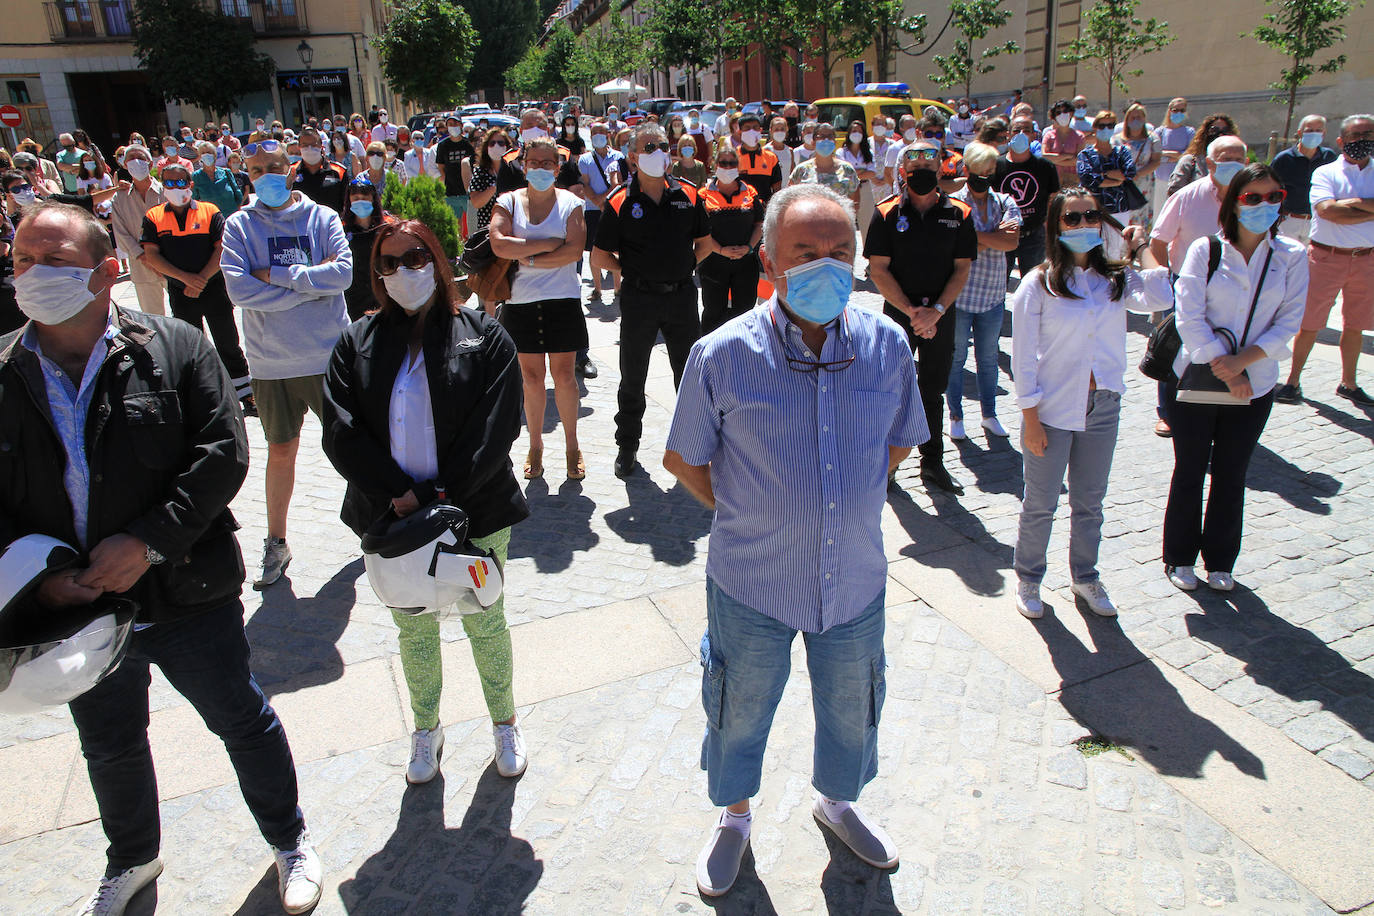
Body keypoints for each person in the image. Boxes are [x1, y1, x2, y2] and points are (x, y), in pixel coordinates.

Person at [2, 201, 322, 916]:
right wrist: (41, 580)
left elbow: (221, 455)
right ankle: (133, 860)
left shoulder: (174, 346)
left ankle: (290, 840)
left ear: (106, 272)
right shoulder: (5, 369)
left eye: (52, 261)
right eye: (22, 259)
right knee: (110, 744)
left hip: (186, 590)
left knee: (240, 718)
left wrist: (149, 541)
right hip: (77, 608)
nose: (31, 274)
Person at [665, 182, 926, 898]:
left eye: (840, 251)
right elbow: (683, 458)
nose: (825, 265)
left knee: (853, 704)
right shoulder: (721, 354)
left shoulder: (887, 345)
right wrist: (755, 511)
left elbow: (899, 443)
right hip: (752, 582)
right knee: (738, 705)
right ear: (771, 260)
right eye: (806, 252)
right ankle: (735, 817)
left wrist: (840, 506)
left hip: (855, 582)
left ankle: (838, 803)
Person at [321, 219, 530, 786]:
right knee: (414, 629)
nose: (401, 272)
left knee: (485, 621)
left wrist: (442, 496)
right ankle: (426, 728)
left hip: (476, 511)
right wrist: (400, 492)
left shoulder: (483, 335)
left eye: (413, 257)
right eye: (386, 264)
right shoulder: (356, 341)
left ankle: (504, 722)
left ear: (436, 262)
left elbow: (496, 425)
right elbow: (340, 429)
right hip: (393, 519)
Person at [1010, 188, 1169, 619]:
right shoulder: (1038, 283)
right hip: (1052, 407)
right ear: (1056, 226)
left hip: (1102, 404)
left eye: (1090, 217)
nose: (1082, 225)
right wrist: (1030, 419)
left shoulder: (1114, 279)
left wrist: (1140, 248)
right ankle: (1029, 576)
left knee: (1090, 501)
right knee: (1041, 501)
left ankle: (1085, 576)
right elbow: (1022, 358)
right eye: (1072, 219)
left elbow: (1161, 295)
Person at [1163, 164, 1308, 592]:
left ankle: (1221, 560)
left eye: (1273, 197)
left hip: (1255, 382)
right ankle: (1179, 557)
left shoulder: (1292, 256)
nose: (1264, 205)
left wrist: (1243, 363)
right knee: (1189, 469)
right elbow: (1188, 316)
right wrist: (1223, 366)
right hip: (1197, 378)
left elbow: (1289, 321)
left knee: (1231, 472)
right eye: (1253, 198)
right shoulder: (1205, 251)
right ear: (1234, 203)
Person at [220, 138, 353, 588]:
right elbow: (239, 290)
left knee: (350, 446)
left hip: (326, 356)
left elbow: (343, 275)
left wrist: (275, 276)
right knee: (281, 452)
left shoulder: (322, 218)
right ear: (248, 175)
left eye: (273, 167)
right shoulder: (239, 225)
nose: (265, 177)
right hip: (271, 363)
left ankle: (378, 522)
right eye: (256, 171)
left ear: (290, 169)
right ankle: (276, 541)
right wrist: (309, 286)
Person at [591, 123, 710, 478]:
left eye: (662, 145)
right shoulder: (619, 201)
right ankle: (627, 446)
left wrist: (685, 267)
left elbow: (704, 243)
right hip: (640, 299)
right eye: (648, 147)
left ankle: (693, 448)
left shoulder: (688, 195)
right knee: (633, 377)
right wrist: (628, 272)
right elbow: (598, 257)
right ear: (632, 157)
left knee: (689, 377)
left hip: (681, 298)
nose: (658, 151)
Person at [865, 140, 975, 494]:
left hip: (941, 313)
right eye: (914, 173)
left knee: (933, 389)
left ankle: (933, 463)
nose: (922, 177)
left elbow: (962, 269)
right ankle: (889, 466)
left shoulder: (959, 214)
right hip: (900, 314)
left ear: (941, 170)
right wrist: (913, 312)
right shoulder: (886, 214)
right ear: (903, 173)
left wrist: (936, 311)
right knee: (891, 389)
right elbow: (878, 269)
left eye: (929, 171)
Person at [489, 137, 589, 479]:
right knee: (531, 379)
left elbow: (575, 251)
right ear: (523, 165)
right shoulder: (509, 201)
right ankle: (535, 444)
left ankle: (572, 445)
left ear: (558, 168)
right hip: (521, 302)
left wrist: (525, 255)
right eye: (535, 162)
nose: (541, 168)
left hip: (563, 300)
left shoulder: (570, 203)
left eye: (548, 163)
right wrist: (545, 246)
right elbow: (498, 243)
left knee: (564, 377)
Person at [138, 161, 254, 414]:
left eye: (180, 182)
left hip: (213, 288)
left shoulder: (209, 211)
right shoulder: (154, 216)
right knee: (189, 343)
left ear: (190, 185)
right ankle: (202, 394)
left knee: (228, 341)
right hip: (181, 292)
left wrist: (200, 279)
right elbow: (152, 255)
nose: (175, 187)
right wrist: (186, 280)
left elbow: (221, 248)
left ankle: (245, 394)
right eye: (168, 182)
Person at [1276, 114, 1374, 406]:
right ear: (1342, 141)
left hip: (1367, 259)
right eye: (1357, 136)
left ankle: (1349, 383)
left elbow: (1337, 209)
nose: (1364, 141)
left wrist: (1352, 204)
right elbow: (1327, 211)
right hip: (1326, 257)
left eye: (1369, 134)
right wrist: (1367, 208)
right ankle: (1293, 381)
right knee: (1310, 324)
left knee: (1355, 325)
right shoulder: (1326, 172)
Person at [947, 143, 1021, 441]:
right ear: (967, 171)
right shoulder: (952, 203)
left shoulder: (1005, 201)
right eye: (979, 172)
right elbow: (953, 245)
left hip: (992, 294)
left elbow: (1011, 242)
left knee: (988, 358)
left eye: (990, 172)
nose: (984, 177)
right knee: (956, 357)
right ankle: (955, 415)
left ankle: (989, 415)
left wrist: (974, 239)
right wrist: (993, 237)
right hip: (959, 295)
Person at [696, 144, 765, 334]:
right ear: (715, 164)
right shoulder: (703, 195)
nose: (727, 167)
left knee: (745, 312)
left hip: (745, 262)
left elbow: (759, 224)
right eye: (723, 163)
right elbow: (700, 231)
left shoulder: (750, 192)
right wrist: (721, 250)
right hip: (713, 262)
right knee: (713, 311)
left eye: (732, 163)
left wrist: (749, 247)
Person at [996, 114, 1060, 279]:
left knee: (1033, 283)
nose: (1021, 134)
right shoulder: (996, 165)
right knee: (999, 283)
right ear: (1008, 134)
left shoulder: (1045, 167)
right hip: (1002, 234)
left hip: (1034, 235)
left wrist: (1049, 225)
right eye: (1017, 130)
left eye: (1027, 130)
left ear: (1033, 135)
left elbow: (1053, 198)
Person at [109, 146, 168, 317]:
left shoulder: (166, 191)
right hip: (141, 266)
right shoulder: (119, 198)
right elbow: (121, 234)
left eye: (140, 157)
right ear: (125, 165)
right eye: (131, 158)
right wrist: (146, 258)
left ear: (150, 164)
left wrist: (160, 259)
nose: (136, 160)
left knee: (187, 314)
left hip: (172, 261)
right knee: (153, 317)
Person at [1269, 114, 1338, 247]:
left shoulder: (1329, 157)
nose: (1314, 134)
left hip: (1318, 222)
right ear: (1300, 133)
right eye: (1309, 130)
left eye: (1318, 130)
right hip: (1288, 221)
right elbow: (1271, 187)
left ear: (1324, 133)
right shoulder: (1283, 158)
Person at [1077, 110, 1137, 257]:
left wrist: (1103, 175)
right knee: (1092, 251)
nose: (1106, 129)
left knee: (1115, 251)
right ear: (1095, 128)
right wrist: (1116, 177)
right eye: (1102, 126)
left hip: (1119, 209)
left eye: (1110, 126)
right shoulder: (1085, 155)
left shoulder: (1122, 151)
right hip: (1093, 209)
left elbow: (1129, 174)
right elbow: (1088, 180)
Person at [578, 121, 624, 310]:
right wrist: (598, 201)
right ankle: (597, 288)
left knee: (615, 247)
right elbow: (585, 184)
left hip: (615, 208)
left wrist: (606, 200)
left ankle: (617, 287)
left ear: (608, 135)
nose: (598, 135)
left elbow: (619, 183)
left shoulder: (618, 156)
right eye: (594, 132)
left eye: (601, 132)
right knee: (593, 249)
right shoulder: (585, 159)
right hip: (592, 209)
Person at [342, 175, 390, 320]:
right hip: (353, 297)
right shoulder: (342, 229)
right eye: (355, 198)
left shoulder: (386, 228)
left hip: (382, 294)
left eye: (365, 197)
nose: (360, 201)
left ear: (373, 199)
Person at [1168, 113, 1238, 196]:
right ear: (1205, 134)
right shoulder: (1191, 161)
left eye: (1225, 131)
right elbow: (1174, 191)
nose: (1220, 134)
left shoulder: (1236, 163)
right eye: (1214, 130)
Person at [1115, 102, 1159, 229]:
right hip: (1124, 183)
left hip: (1144, 183)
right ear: (1127, 120)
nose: (1136, 120)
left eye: (1139, 117)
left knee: (1142, 217)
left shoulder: (1153, 138)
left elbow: (1156, 160)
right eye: (1132, 118)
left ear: (1144, 118)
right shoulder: (1117, 140)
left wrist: (1138, 173)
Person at [788, 123, 860, 200]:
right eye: (821, 137)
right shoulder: (801, 170)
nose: (826, 140)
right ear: (813, 142)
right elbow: (790, 198)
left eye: (830, 136)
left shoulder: (847, 170)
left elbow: (855, 201)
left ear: (835, 142)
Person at [1151, 98, 1194, 214]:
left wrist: (1167, 154)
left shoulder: (1189, 132)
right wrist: (1174, 156)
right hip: (1160, 178)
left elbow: (1188, 154)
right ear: (1169, 111)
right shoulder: (1160, 132)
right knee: (1159, 211)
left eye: (1182, 110)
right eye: (1175, 110)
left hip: (1181, 179)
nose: (1178, 113)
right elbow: (1155, 154)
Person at [436, 115, 474, 228]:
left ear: (461, 125)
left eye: (456, 124)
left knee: (471, 223)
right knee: (455, 225)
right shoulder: (442, 145)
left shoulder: (468, 144)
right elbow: (441, 166)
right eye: (450, 124)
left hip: (467, 192)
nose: (453, 127)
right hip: (450, 192)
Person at [736, 114, 783, 205]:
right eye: (747, 128)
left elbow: (777, 189)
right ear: (740, 131)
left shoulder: (771, 158)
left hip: (764, 208)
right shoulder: (732, 157)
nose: (751, 131)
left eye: (755, 128)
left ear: (760, 130)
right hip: (740, 209)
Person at [191, 140, 245, 217]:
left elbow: (238, 194)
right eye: (203, 153)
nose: (206, 155)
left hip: (232, 216)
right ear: (200, 157)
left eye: (209, 152)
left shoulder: (226, 172)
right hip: (212, 220)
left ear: (215, 155)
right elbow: (194, 201)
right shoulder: (196, 176)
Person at [1042, 100, 1084, 188]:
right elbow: (1045, 157)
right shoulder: (1049, 135)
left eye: (1065, 111)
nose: (1062, 114)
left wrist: (1055, 160)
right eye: (1058, 113)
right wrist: (1068, 156)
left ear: (1071, 113)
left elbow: (1078, 161)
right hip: (1052, 180)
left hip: (1072, 181)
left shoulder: (1079, 136)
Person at [766, 116, 796, 189]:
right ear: (771, 131)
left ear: (786, 131)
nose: (779, 132)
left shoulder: (790, 151)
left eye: (782, 129)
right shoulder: (766, 150)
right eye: (776, 129)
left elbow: (792, 174)